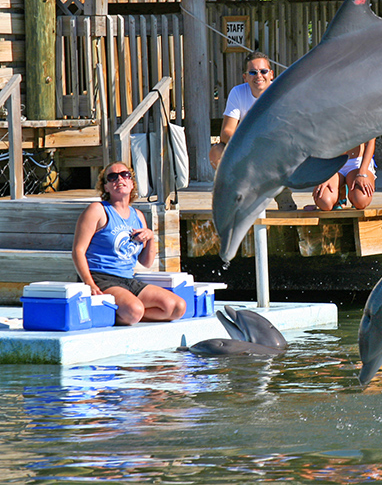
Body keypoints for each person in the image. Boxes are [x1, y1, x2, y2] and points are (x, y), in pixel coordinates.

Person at [72, 162, 186, 326]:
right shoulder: (97, 210)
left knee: (177, 308)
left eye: (125, 175)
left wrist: (151, 237)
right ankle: (118, 313)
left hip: (127, 279)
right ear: (106, 187)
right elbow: (78, 251)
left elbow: (146, 262)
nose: (119, 179)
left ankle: (128, 314)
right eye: (112, 177)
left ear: (132, 183)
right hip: (101, 278)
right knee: (134, 310)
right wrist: (89, 283)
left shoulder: (138, 215)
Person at [209, 50, 297, 210]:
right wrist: (248, 145)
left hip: (276, 152)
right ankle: (240, 190)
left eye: (263, 71)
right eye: (253, 72)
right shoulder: (237, 92)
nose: (259, 76)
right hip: (247, 150)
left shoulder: (281, 92)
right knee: (216, 152)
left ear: (271, 74)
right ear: (245, 77)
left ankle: (281, 189)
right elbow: (226, 132)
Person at [312, 139, 376, 211]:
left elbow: (371, 141)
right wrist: (324, 174)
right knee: (325, 203)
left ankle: (349, 192)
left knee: (360, 201)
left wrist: (362, 173)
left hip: (357, 163)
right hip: (333, 162)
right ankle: (340, 194)